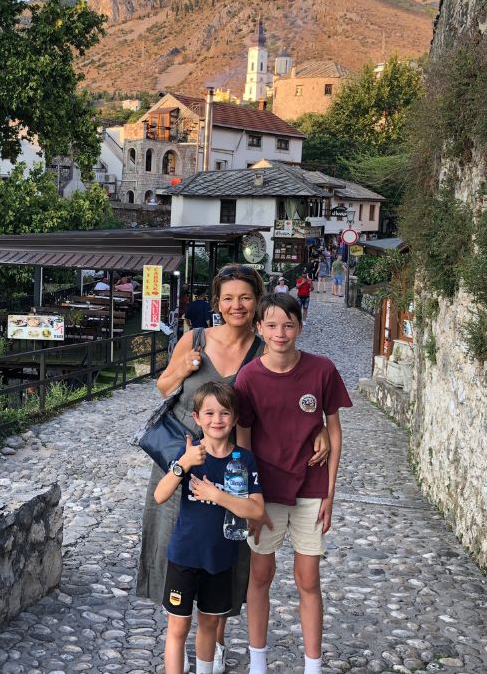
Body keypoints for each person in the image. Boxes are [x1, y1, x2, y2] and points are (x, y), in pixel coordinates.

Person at [138, 264, 330, 673]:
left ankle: (215, 645)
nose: (236, 305)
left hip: (234, 465)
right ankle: (177, 636)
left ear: (257, 301)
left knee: (226, 551)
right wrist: (182, 368)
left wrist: (322, 431)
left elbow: (287, 401)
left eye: (245, 297)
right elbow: (163, 387)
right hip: (184, 459)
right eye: (228, 298)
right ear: (217, 302)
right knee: (177, 543)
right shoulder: (195, 338)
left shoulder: (264, 348)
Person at [234, 293, 349, 674]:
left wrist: (330, 495)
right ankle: (258, 662)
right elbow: (243, 437)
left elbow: (334, 430)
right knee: (260, 576)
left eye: (288, 324)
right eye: (271, 325)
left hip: (311, 489)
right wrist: (250, 495)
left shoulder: (322, 370)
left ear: (300, 326)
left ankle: (312, 666)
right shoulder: (248, 377)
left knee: (308, 579)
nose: (280, 332)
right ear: (259, 329)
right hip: (265, 492)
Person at [154, 381, 264, 674]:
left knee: (209, 624)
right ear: (197, 417)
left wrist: (217, 496)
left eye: (225, 413)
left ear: (235, 418)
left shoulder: (243, 459)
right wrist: (183, 465)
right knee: (177, 626)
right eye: (210, 413)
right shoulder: (189, 454)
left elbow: (255, 509)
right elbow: (160, 495)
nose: (217, 420)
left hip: (220, 558)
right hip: (185, 556)